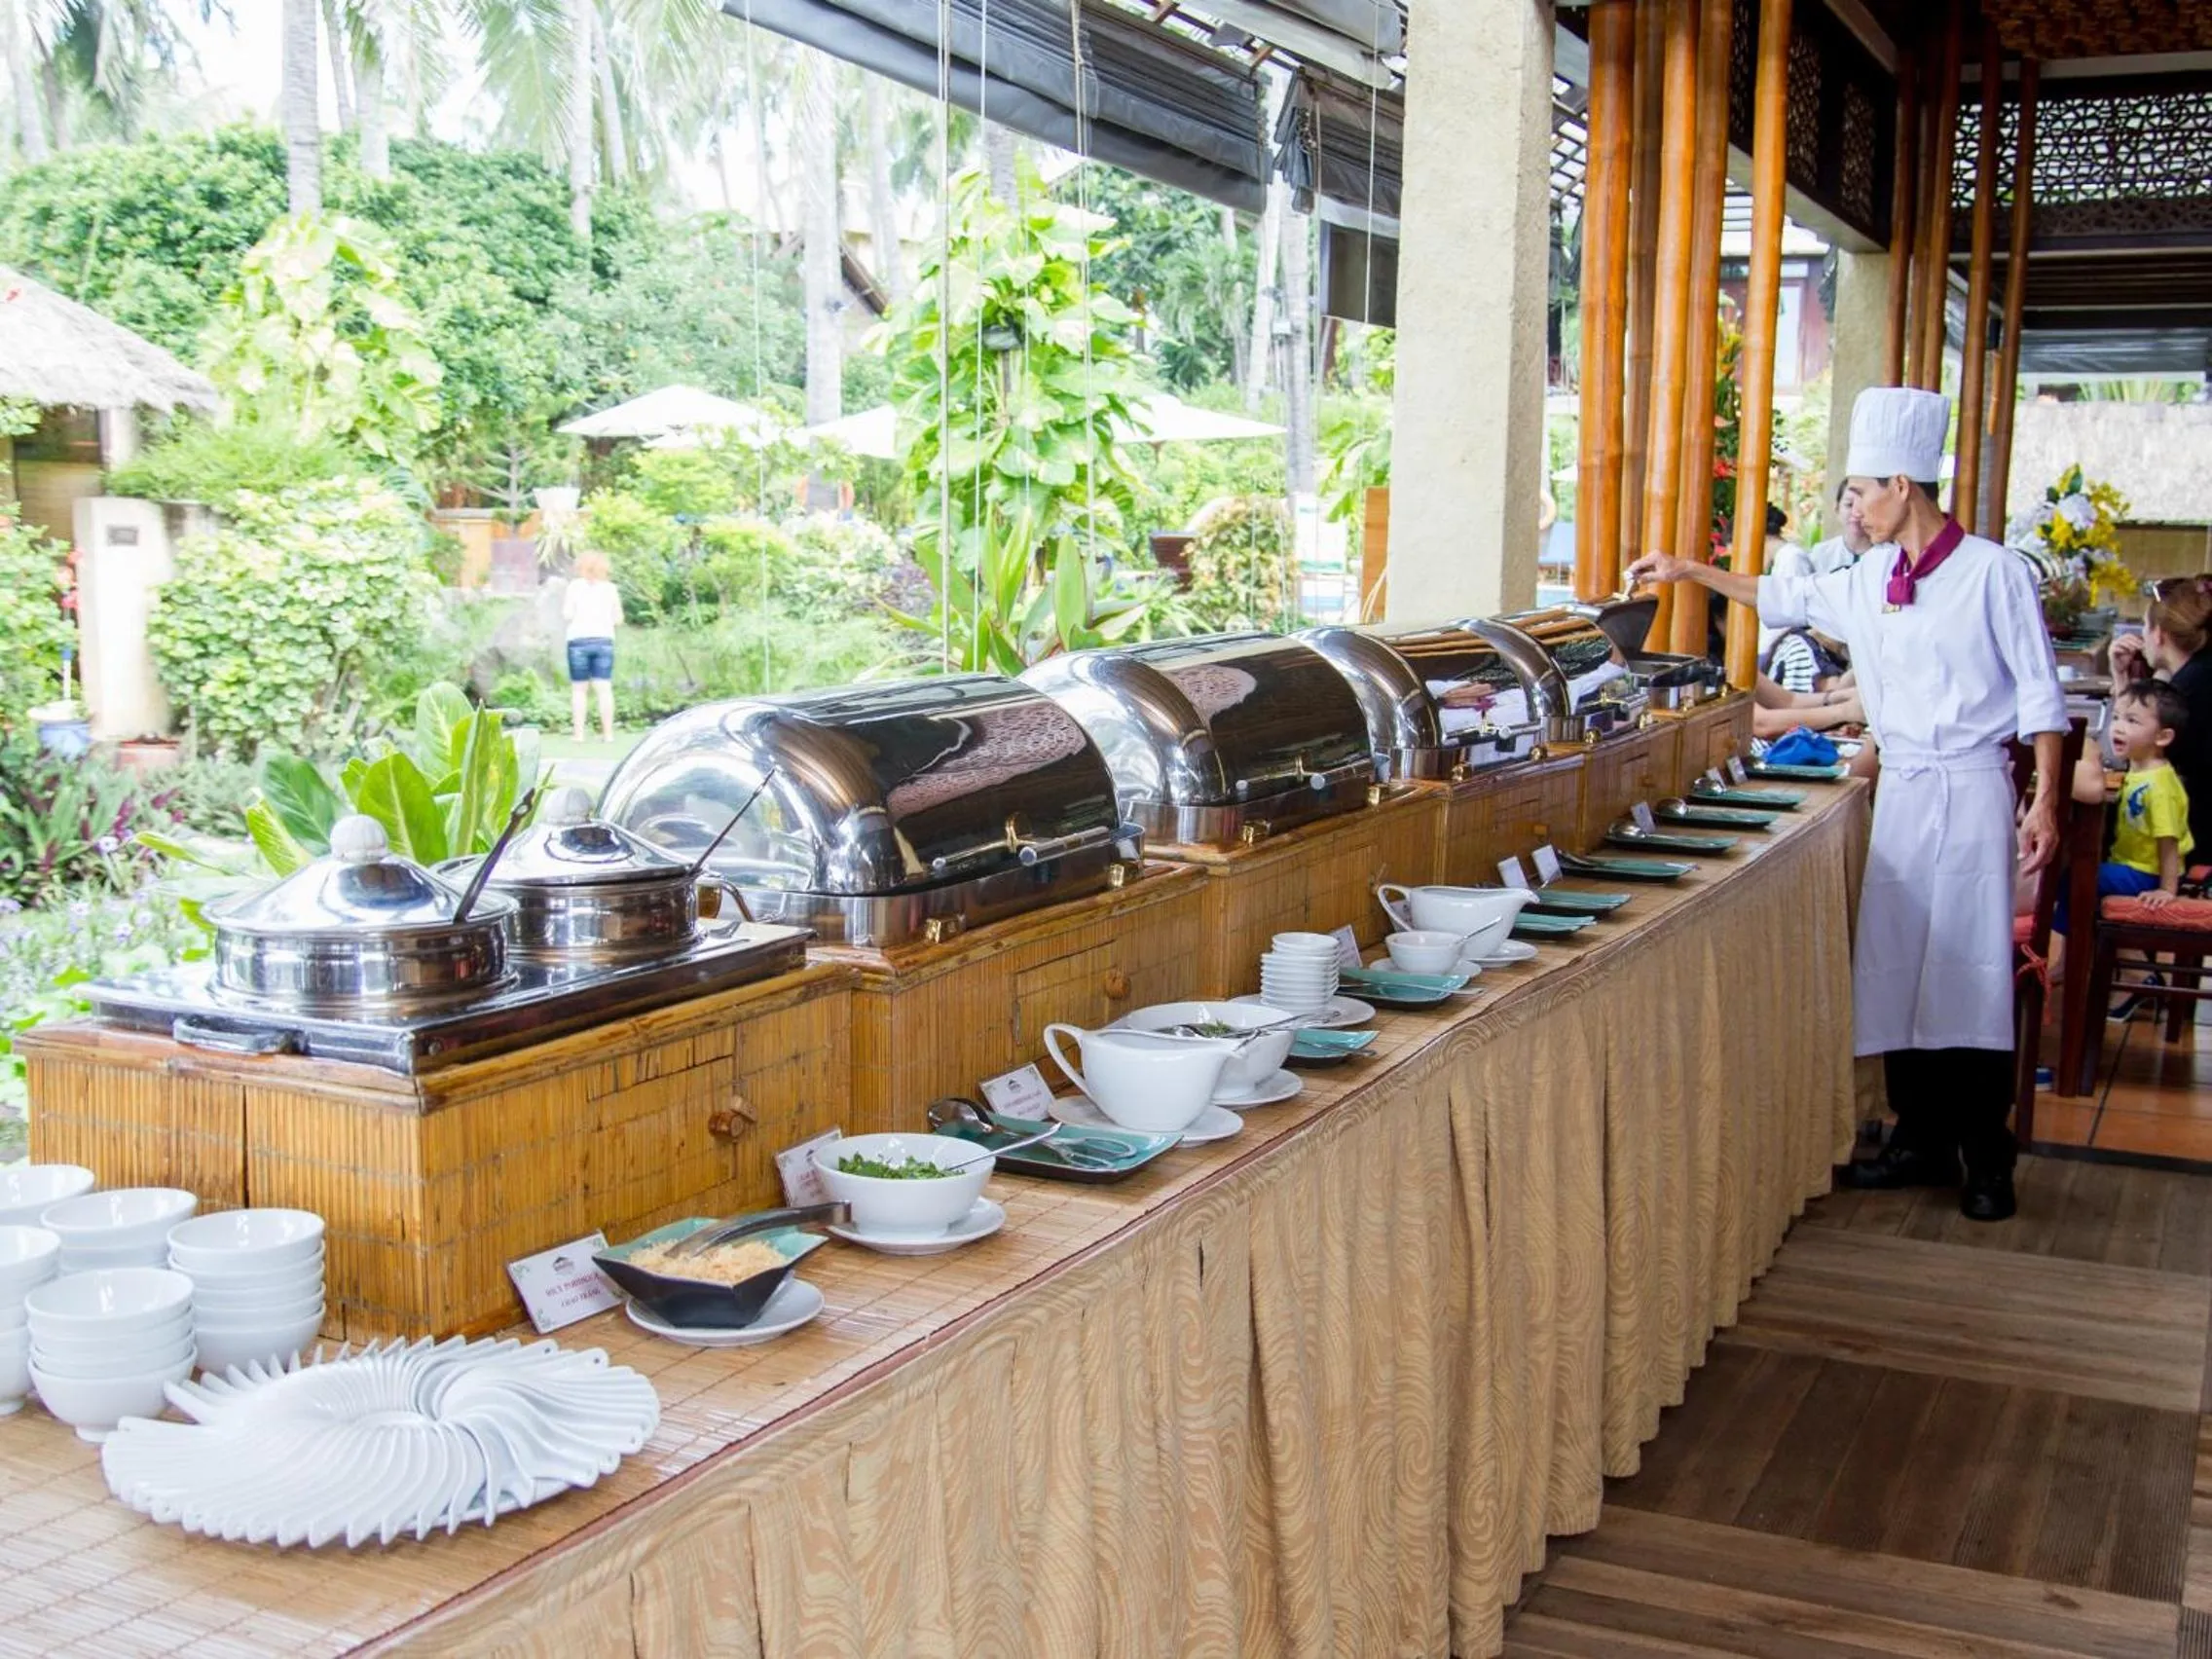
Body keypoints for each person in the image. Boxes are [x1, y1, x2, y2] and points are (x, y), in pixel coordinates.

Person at [1628, 385, 2066, 1223]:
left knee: (1971, 973)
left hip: (1972, 789)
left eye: (1861, 490)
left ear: (1903, 485)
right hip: (1901, 788)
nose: (1853, 508)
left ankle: (1987, 1154)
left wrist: (2043, 802)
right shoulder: (1870, 577)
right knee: (1897, 965)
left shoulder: (1993, 574)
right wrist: (1691, 571)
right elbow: (1783, 597)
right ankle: (1918, 1138)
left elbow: (2041, 700)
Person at [2052, 682, 2192, 950]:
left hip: (2146, 873)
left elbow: (2169, 841)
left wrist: (2167, 889)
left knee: (2074, 877)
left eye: (2132, 721)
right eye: (2115, 717)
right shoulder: (2142, 771)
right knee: (2077, 874)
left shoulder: (2160, 785)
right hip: (2131, 865)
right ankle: (2078, 951)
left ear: (2162, 737)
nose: (2118, 726)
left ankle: (2071, 954)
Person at [2110, 574, 2212, 858]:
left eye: (2144, 626)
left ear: (2158, 634)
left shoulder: (2185, 691)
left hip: (2193, 838)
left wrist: (2120, 678)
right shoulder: (2198, 674)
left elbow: (2130, 750)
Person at [563, 550, 623, 742]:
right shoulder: (610, 589)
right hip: (603, 640)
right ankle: (608, 734)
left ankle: (579, 735)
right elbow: (618, 618)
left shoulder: (574, 587)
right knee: (604, 688)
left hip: (578, 641)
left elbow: (567, 614)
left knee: (579, 690)